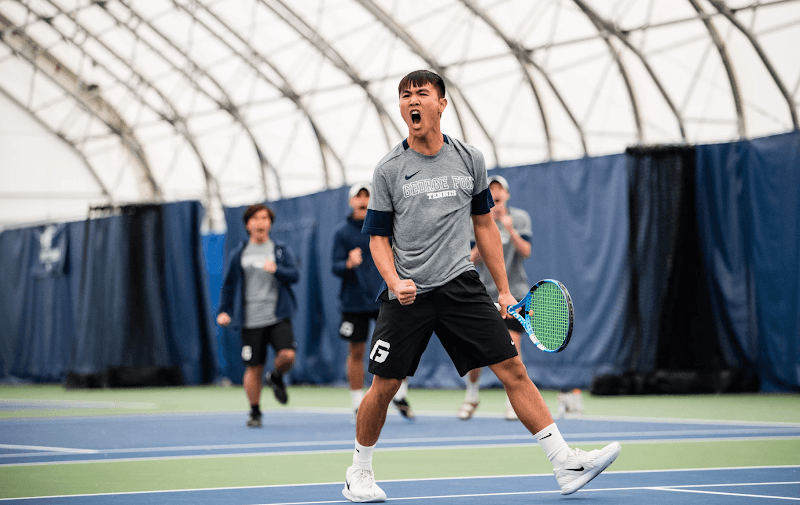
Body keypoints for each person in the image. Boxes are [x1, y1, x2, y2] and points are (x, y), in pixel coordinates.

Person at [342, 70, 620, 502]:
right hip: (408, 293)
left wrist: (504, 290)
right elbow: (377, 238)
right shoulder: (389, 170)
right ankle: (358, 472)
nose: (411, 101)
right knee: (385, 385)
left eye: (421, 94)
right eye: (404, 95)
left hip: (461, 286)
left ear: (441, 104)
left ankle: (564, 462)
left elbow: (485, 225)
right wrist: (394, 281)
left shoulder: (469, 158)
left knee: (513, 370)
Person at [332, 183, 414, 420]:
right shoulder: (341, 233)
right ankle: (358, 403)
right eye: (358, 196)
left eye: (367, 196)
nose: (363, 200)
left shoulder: (385, 228)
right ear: (351, 202)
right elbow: (334, 267)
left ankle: (400, 396)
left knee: (397, 347)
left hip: (384, 298)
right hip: (354, 302)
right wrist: (348, 263)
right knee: (356, 350)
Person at [217, 204, 299, 428]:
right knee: (254, 367)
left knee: (288, 355)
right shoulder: (239, 254)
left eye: (264, 218)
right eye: (255, 219)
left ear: (270, 223)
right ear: (247, 225)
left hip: (278, 316)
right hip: (250, 320)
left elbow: (294, 275)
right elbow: (229, 286)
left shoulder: (280, 250)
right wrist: (224, 311)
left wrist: (277, 270)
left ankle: (276, 376)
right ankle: (255, 412)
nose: (260, 222)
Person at [458, 174, 532, 422]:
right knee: (475, 351)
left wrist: (509, 228)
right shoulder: (476, 221)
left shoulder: (520, 218)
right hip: (484, 294)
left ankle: (513, 403)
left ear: (506, 195)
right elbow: (469, 260)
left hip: (515, 293)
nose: (496, 193)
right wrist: (485, 232)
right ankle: (471, 397)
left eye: (500, 189)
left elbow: (526, 251)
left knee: (513, 347)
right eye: (491, 189)